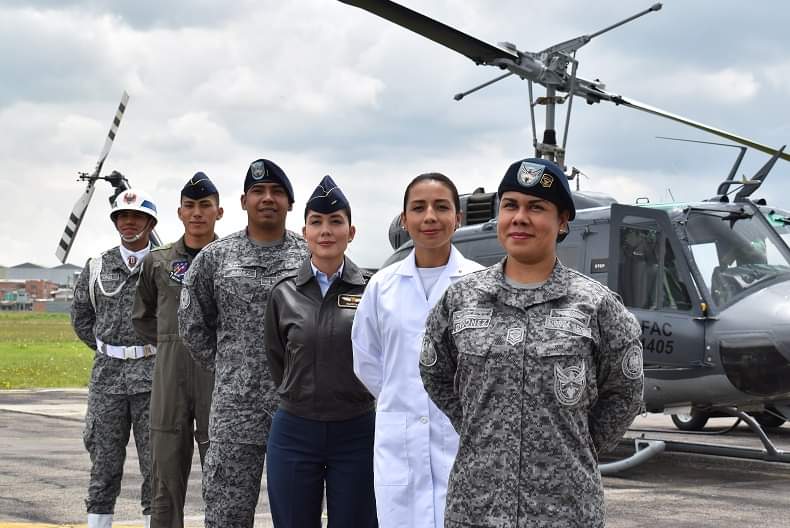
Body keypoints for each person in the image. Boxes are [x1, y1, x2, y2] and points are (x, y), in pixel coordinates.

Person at [419, 158, 644, 528]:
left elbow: (625, 393)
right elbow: (435, 372)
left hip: (565, 510)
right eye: (511, 206)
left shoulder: (596, 306)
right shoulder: (461, 300)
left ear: (563, 221)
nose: (519, 218)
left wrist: (577, 443)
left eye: (536, 208)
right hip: (476, 507)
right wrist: (478, 425)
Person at [177, 159, 308, 528]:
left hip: (298, 408)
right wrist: (230, 368)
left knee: (298, 514)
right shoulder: (215, 257)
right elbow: (192, 324)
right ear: (243, 201)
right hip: (234, 412)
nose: (267, 198)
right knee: (226, 516)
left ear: (290, 203)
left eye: (277, 192)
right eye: (258, 191)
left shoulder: (310, 257)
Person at [351, 173, 483, 528]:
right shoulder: (382, 286)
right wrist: (403, 396)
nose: (430, 217)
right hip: (400, 439)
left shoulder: (481, 286)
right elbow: (366, 359)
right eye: (419, 208)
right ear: (404, 219)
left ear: (458, 218)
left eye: (441, 207)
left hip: (460, 438)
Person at [264, 175, 377, 528]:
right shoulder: (283, 293)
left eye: (335, 221)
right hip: (295, 430)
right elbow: (277, 358)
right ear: (305, 232)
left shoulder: (373, 290)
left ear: (351, 232)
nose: (326, 230)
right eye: (316, 222)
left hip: (357, 430)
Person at [132, 173, 223, 528]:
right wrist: (173, 342)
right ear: (180, 212)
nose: (197, 212)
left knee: (223, 474)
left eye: (205, 205)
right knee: (165, 475)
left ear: (219, 212)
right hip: (170, 375)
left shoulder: (231, 260)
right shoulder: (157, 262)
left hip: (218, 374)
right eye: (190, 206)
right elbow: (142, 316)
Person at [71, 189, 159, 528]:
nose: (128, 222)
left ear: (150, 223)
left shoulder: (163, 266)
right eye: (122, 216)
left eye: (136, 217)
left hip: (153, 378)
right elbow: (81, 317)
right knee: (103, 465)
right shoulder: (97, 266)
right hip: (107, 380)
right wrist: (109, 349)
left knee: (156, 465)